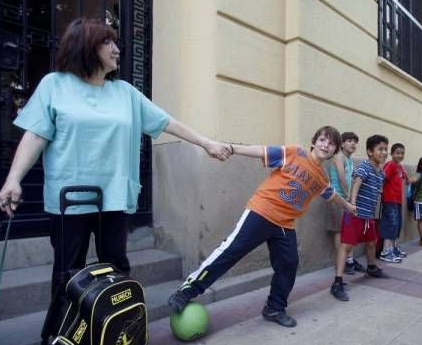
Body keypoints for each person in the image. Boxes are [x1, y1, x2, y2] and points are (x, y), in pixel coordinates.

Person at [0, 18, 231, 304]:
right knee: (68, 272)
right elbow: (36, 136)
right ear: (86, 47)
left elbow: (167, 122)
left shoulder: (125, 93)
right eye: (107, 42)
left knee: (116, 268)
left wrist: (207, 143)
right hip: (69, 198)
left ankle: (117, 337)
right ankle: (61, 338)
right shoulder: (54, 85)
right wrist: (13, 179)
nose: (116, 49)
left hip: (114, 197)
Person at [168, 126, 357, 327]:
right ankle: (186, 292)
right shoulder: (294, 153)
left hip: (285, 224)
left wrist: (348, 207)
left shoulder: (321, 176)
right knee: (229, 252)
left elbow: (330, 194)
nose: (325, 145)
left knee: (289, 264)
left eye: (331, 143)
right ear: (313, 142)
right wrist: (231, 148)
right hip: (261, 212)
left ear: (334, 150)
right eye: (322, 140)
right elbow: (262, 151)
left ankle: (274, 308)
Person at [331, 135, 392, 301]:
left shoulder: (380, 172)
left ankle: (371, 267)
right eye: (380, 149)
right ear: (369, 152)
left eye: (385, 149)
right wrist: (352, 205)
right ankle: (337, 282)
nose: (384, 152)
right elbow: (356, 185)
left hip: (368, 216)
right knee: (347, 247)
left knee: (372, 242)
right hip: (356, 214)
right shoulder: (364, 167)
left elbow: (377, 189)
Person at [326, 132, 364, 275]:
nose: (353, 144)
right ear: (342, 144)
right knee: (339, 231)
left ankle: (349, 260)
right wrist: (348, 195)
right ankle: (341, 262)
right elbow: (342, 177)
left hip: (346, 200)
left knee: (348, 230)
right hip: (337, 199)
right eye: (349, 141)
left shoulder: (349, 159)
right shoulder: (338, 157)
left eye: (355, 141)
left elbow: (352, 177)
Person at [379, 143, 415, 263]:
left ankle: (393, 248)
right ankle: (385, 251)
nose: (400, 155)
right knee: (390, 224)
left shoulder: (399, 167)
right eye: (397, 153)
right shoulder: (390, 165)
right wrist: (380, 190)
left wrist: (411, 179)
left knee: (396, 225)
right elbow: (383, 177)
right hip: (389, 200)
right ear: (392, 154)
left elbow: (406, 178)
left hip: (397, 200)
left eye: (402, 153)